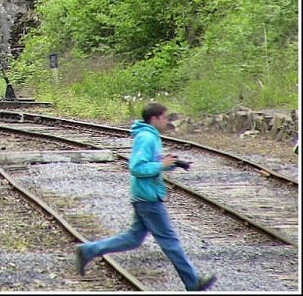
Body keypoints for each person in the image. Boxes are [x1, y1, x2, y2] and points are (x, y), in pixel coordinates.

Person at [74, 102, 217, 292]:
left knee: (133, 238)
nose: (167, 121)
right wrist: (161, 165)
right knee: (169, 240)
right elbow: (136, 167)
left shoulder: (151, 137)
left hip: (146, 194)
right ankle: (192, 282)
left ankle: (88, 250)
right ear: (154, 118)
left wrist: (173, 163)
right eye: (165, 117)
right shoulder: (146, 138)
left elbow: (152, 162)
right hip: (148, 197)